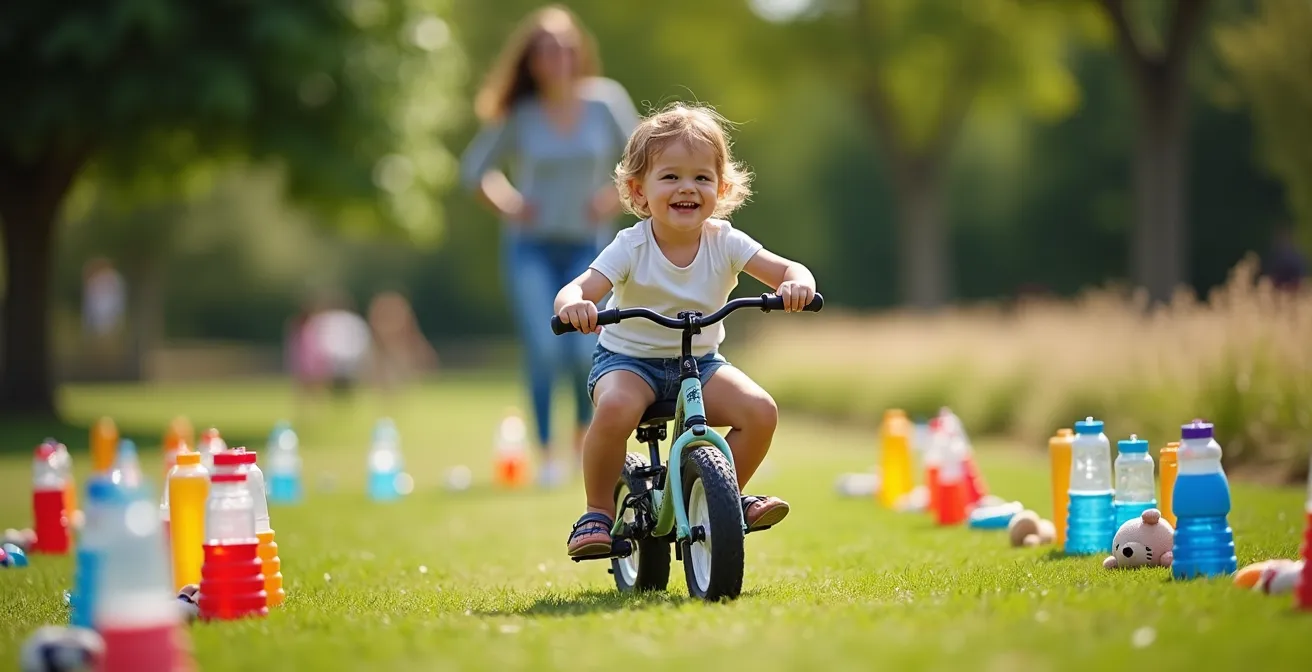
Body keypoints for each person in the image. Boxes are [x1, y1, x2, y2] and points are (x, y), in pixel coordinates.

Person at [553, 102, 819, 557]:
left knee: (761, 411)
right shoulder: (631, 245)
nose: (687, 188)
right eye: (671, 176)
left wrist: (797, 285)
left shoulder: (727, 241)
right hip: (628, 362)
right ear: (639, 190)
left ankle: (721, 496)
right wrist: (575, 306)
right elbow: (578, 288)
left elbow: (789, 269)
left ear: (722, 187)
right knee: (616, 407)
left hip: (700, 364)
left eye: (701, 177)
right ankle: (596, 511)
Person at [459, 4, 641, 487]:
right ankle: (546, 453)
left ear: (578, 53)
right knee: (543, 347)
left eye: (564, 47)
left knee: (586, 348)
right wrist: (512, 205)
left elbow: (645, 156)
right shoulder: (521, 114)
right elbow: (474, 173)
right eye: (546, 49)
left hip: (589, 249)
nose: (557, 57)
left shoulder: (605, 102)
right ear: (533, 61)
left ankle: (583, 441)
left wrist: (614, 196)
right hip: (531, 250)